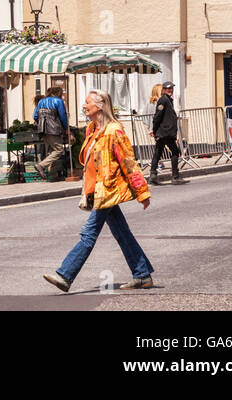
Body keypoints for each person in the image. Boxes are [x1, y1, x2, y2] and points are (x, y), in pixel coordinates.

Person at [43, 89, 154, 293]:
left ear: (100, 105)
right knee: (122, 233)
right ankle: (142, 274)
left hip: (107, 190)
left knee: (88, 234)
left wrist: (142, 192)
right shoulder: (93, 129)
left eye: (87, 103)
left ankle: (65, 275)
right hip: (95, 190)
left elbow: (129, 162)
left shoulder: (114, 131)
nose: (84, 106)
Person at [150, 81, 185, 184]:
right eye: (168, 89)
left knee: (158, 152)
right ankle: (175, 176)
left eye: (172, 89)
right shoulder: (163, 100)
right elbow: (157, 116)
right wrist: (154, 130)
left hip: (166, 131)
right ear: (163, 90)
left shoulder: (168, 100)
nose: (170, 91)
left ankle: (153, 175)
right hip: (164, 132)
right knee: (175, 151)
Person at [33, 85, 69, 180]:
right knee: (59, 150)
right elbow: (63, 116)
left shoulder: (41, 101)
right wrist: (66, 128)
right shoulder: (58, 101)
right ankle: (41, 165)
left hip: (42, 129)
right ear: (57, 93)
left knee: (50, 151)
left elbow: (35, 116)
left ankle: (51, 175)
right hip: (54, 129)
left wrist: (41, 122)